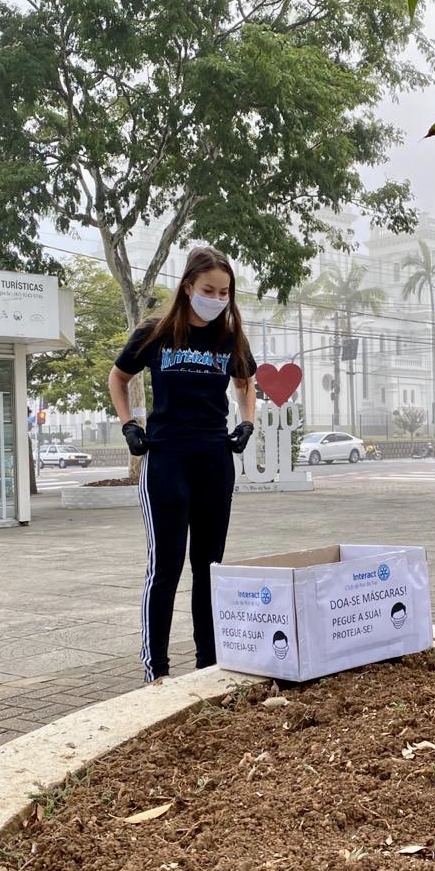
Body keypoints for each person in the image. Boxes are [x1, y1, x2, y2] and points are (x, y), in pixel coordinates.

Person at [108, 246, 257, 681]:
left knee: (209, 567)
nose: (217, 297)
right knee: (166, 567)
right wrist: (128, 424)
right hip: (167, 459)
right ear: (188, 286)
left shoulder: (229, 337)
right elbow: (119, 377)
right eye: (208, 289)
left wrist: (247, 423)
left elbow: (246, 383)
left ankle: (208, 663)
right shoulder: (156, 332)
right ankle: (156, 670)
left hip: (214, 459)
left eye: (225, 291)